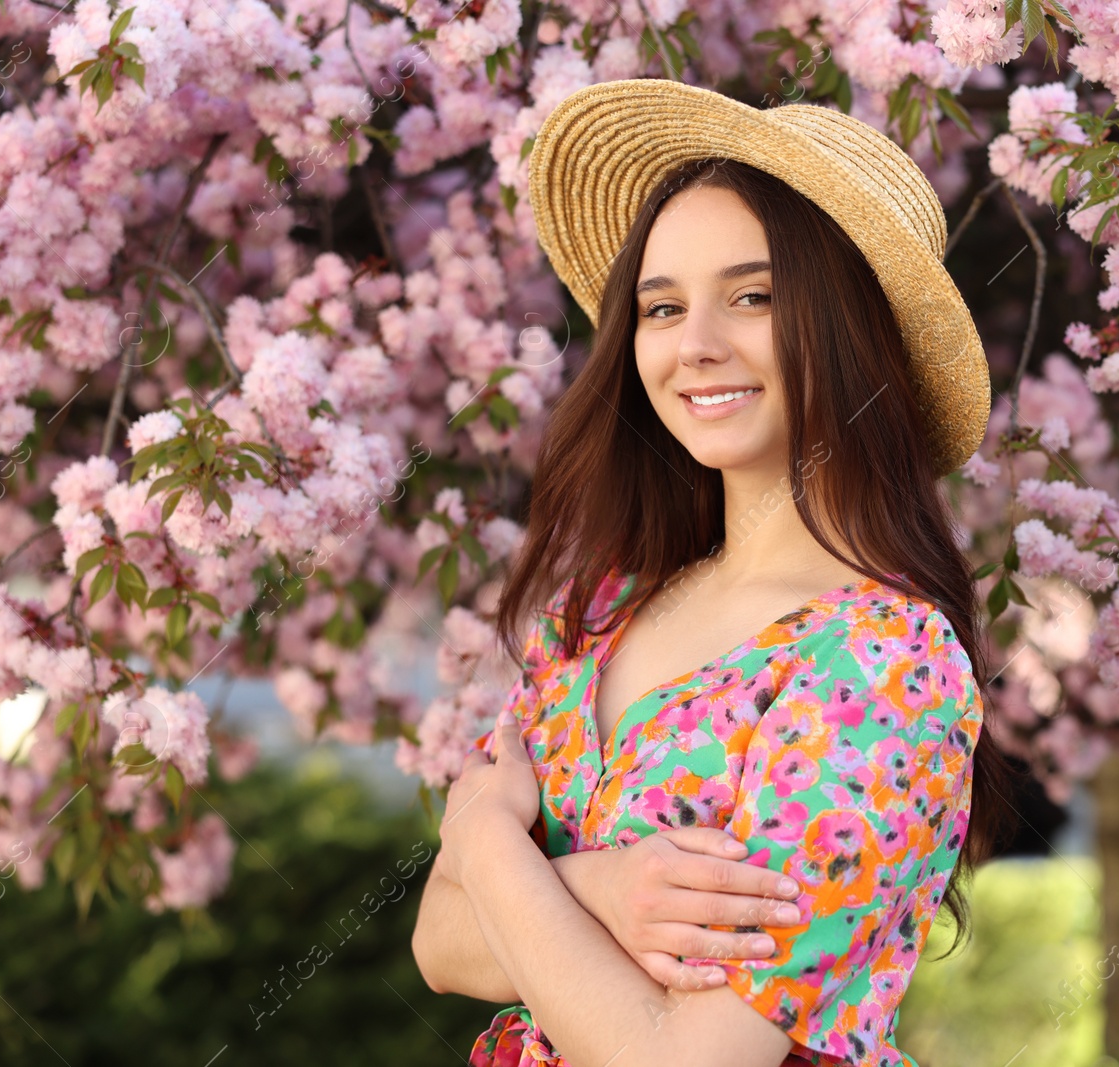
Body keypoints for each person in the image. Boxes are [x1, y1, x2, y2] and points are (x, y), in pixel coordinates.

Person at [410, 78, 1018, 1067]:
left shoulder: (881, 662)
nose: (693, 346)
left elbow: (685, 1057)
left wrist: (487, 845)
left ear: (851, 332)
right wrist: (605, 889)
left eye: (752, 296)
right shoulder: (596, 611)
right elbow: (436, 943)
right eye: (660, 305)